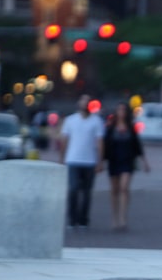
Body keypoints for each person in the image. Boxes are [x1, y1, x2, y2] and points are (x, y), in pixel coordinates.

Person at [58, 94, 106, 229]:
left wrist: (100, 161)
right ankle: (72, 219)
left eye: (87, 101)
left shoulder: (96, 121)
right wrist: (62, 157)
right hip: (73, 159)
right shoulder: (70, 120)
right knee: (73, 189)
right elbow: (64, 140)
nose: (84, 104)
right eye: (82, 101)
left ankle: (83, 219)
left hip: (89, 161)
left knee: (86, 192)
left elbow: (100, 142)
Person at [103, 101, 150, 230]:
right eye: (119, 110)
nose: (121, 113)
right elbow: (105, 145)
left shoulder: (131, 127)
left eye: (123, 110)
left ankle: (123, 218)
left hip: (127, 161)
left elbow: (137, 145)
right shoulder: (111, 128)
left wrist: (144, 161)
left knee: (124, 188)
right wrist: (101, 160)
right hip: (114, 160)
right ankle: (115, 217)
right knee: (114, 189)